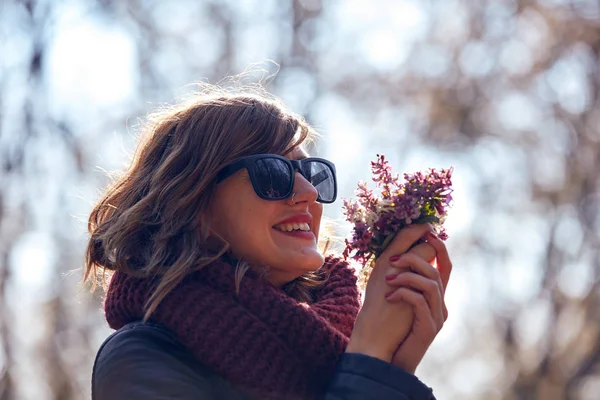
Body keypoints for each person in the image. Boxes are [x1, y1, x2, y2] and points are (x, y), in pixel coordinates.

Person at [85, 86, 452, 400]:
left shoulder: (331, 343)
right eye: (273, 173)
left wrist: (396, 366)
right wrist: (371, 356)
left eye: (312, 173)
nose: (308, 193)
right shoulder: (142, 357)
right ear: (192, 202)